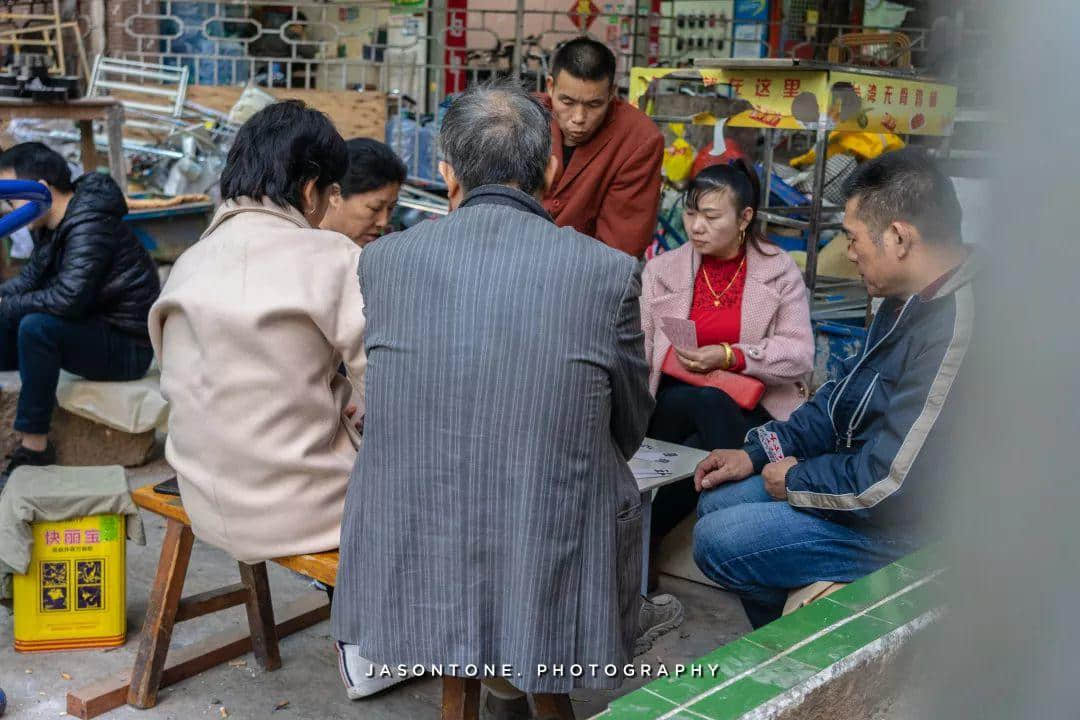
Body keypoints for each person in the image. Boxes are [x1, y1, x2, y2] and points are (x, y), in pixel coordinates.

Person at [330, 79, 682, 711]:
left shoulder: (384, 262)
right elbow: (628, 423)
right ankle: (567, 645)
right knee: (591, 478)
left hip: (417, 531)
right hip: (548, 526)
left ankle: (482, 669)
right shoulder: (607, 272)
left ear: (446, 174)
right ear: (549, 167)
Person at [692, 148, 975, 628]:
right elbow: (839, 403)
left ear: (899, 237)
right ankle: (791, 628)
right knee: (719, 498)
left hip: (912, 527)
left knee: (721, 538)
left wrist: (797, 480)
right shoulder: (905, 297)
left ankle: (790, 650)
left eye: (852, 238)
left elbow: (888, 482)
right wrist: (758, 453)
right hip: (863, 481)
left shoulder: (954, 328)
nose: (849, 253)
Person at [640, 161, 814, 576]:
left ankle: (642, 543)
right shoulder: (662, 270)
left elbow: (799, 354)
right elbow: (639, 348)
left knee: (709, 419)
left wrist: (730, 356)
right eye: (691, 213)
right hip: (669, 402)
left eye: (711, 216)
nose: (696, 226)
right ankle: (751, 522)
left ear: (744, 218)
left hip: (753, 403)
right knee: (704, 400)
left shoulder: (778, 270)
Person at [0, 143, 158, 479]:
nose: (9, 208)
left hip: (127, 347)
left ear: (39, 189)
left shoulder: (90, 222)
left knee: (35, 327)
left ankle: (34, 448)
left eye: (13, 198)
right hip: (91, 327)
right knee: (12, 319)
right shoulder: (53, 225)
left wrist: (7, 305)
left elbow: (68, 299)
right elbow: (27, 282)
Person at [540, 37, 664, 257]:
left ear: (611, 93)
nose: (578, 118)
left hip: (587, 278)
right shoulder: (523, 117)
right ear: (550, 86)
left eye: (593, 104)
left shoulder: (639, 139)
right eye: (567, 102)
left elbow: (620, 246)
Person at [320, 137, 406, 247]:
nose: (383, 222)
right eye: (375, 208)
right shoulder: (301, 252)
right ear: (334, 194)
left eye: (391, 208)